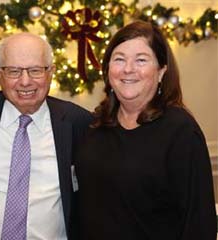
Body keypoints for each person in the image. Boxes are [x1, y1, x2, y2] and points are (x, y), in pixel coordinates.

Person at [75, 20, 217, 239]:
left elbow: (199, 223)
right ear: (108, 70)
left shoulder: (181, 132)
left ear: (161, 72)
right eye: (119, 59)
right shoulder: (95, 126)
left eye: (141, 60)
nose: (128, 69)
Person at [0, 32, 93, 240]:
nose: (25, 81)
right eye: (14, 71)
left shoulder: (78, 122)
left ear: (51, 73)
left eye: (36, 70)